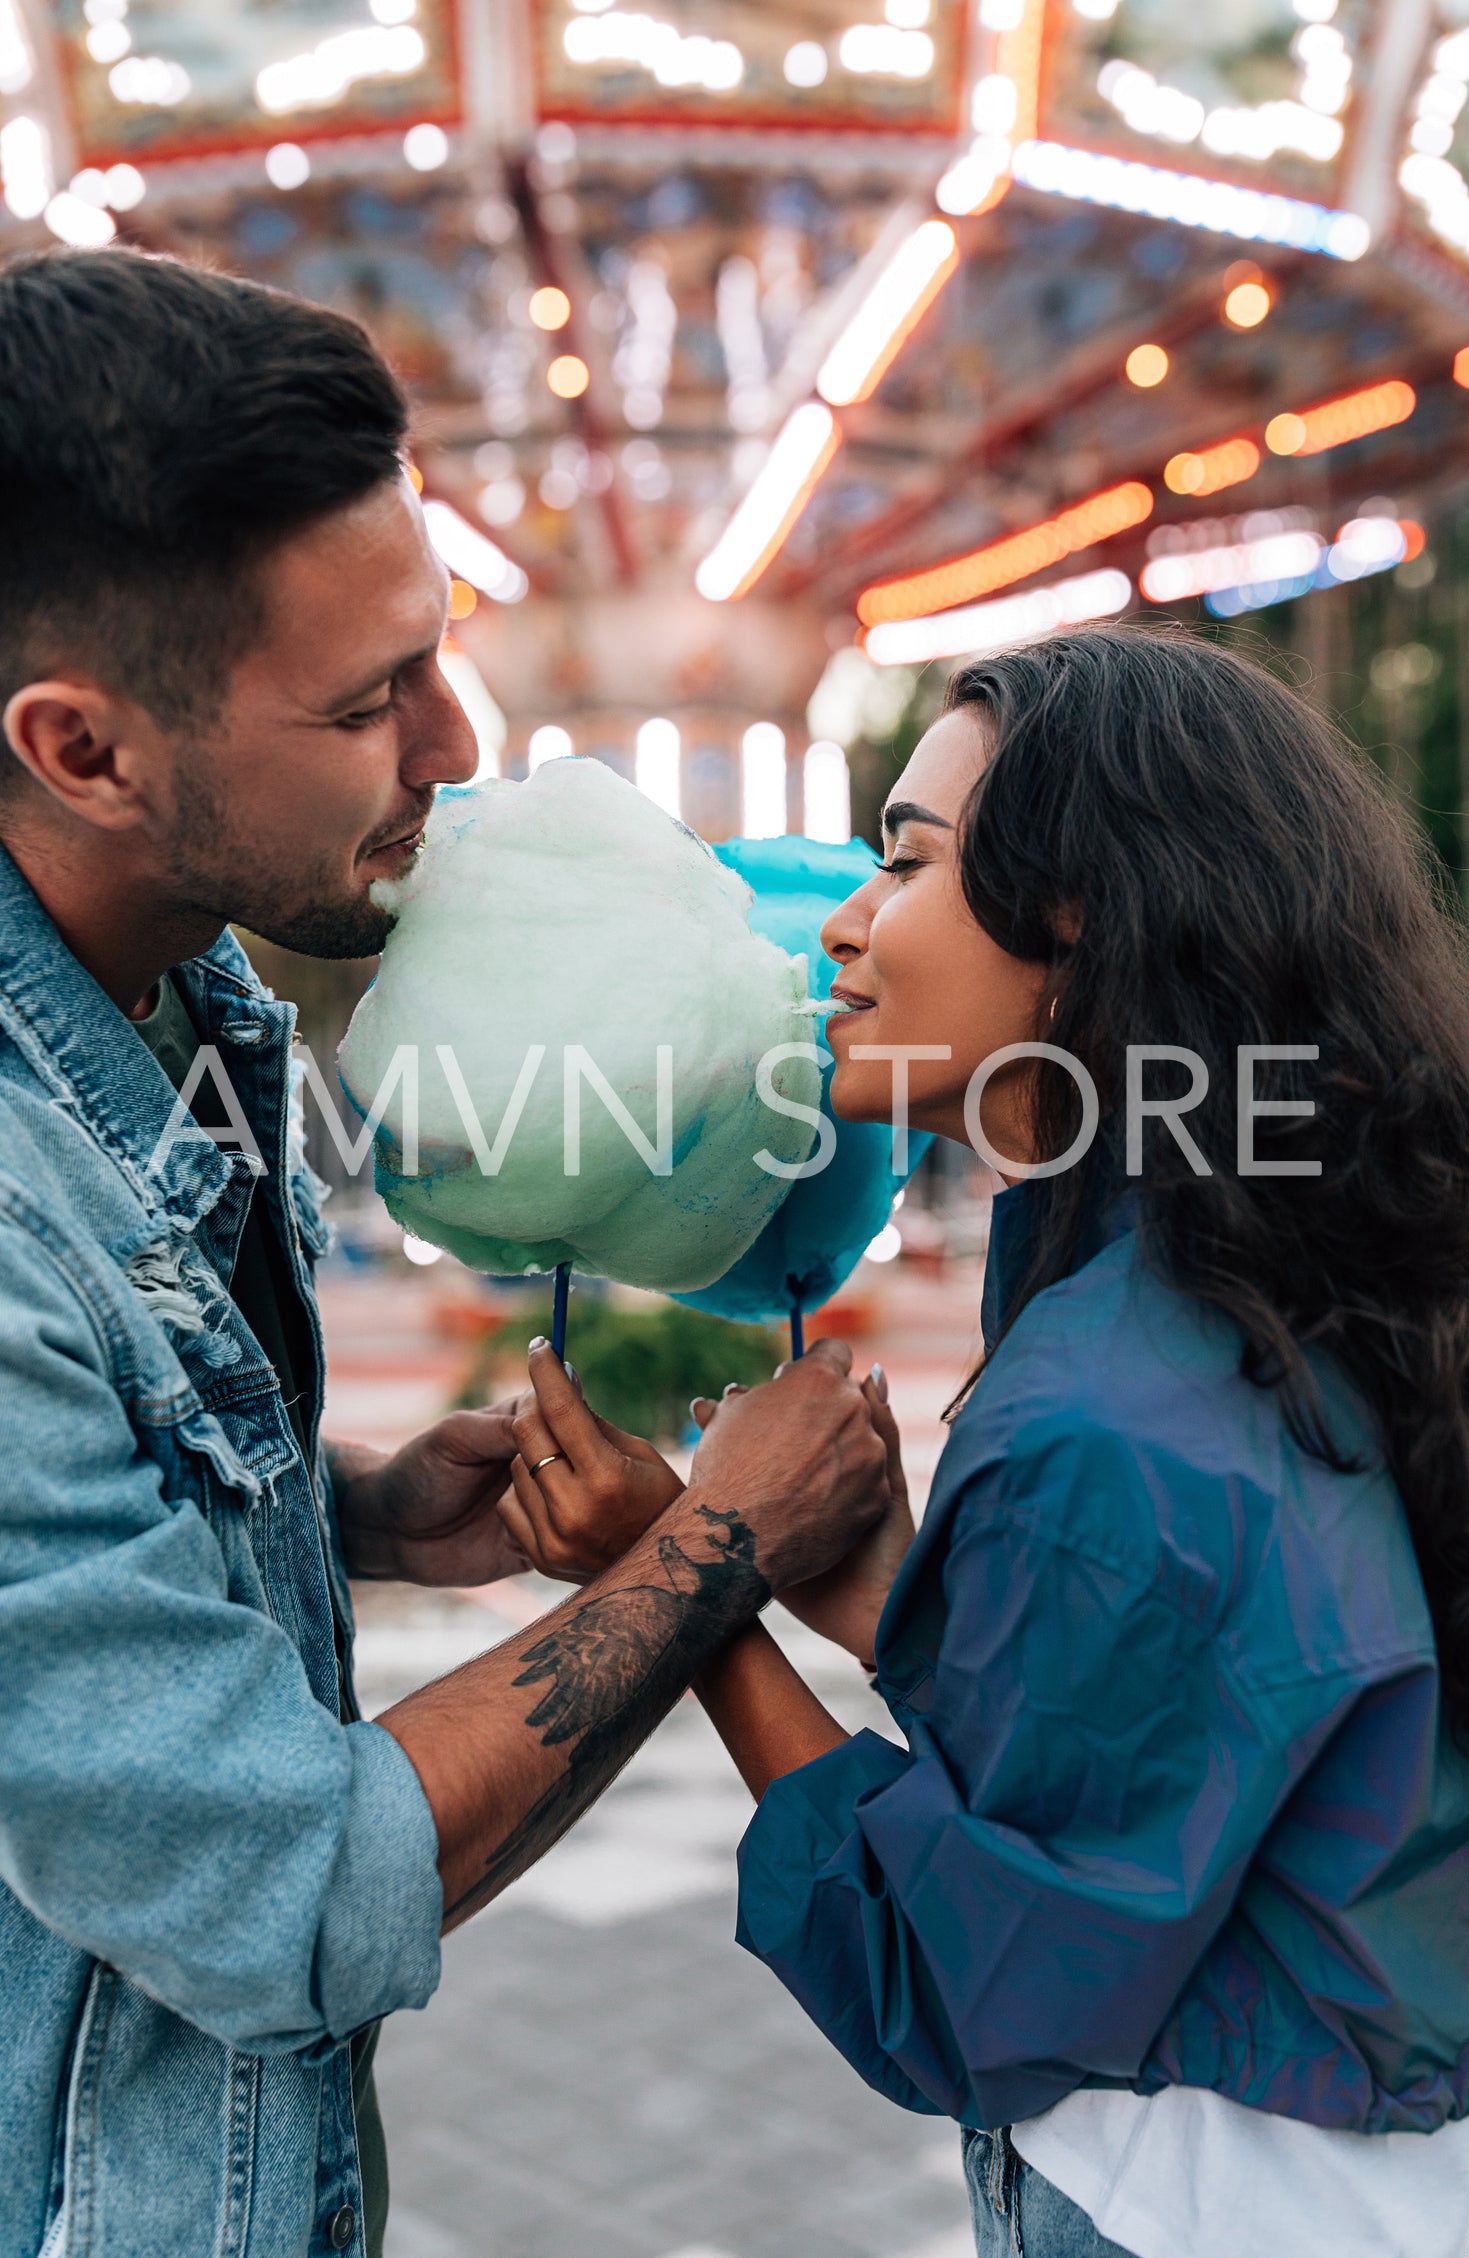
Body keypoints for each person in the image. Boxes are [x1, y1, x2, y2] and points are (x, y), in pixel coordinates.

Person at [0, 245, 892, 2258]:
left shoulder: (189, 998)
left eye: (438, 648)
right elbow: (287, 1891)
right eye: (368, 697)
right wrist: (713, 1547)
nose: (462, 746)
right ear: (84, 750)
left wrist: (362, 1519)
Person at [504, 627, 1469, 2258]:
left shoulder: (1115, 1403)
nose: (836, 920)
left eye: (900, 861)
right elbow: (1178, 1746)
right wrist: (887, 1581)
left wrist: (688, 1580)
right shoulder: (1260, 1290)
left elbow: (966, 1989)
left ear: (1079, 915)